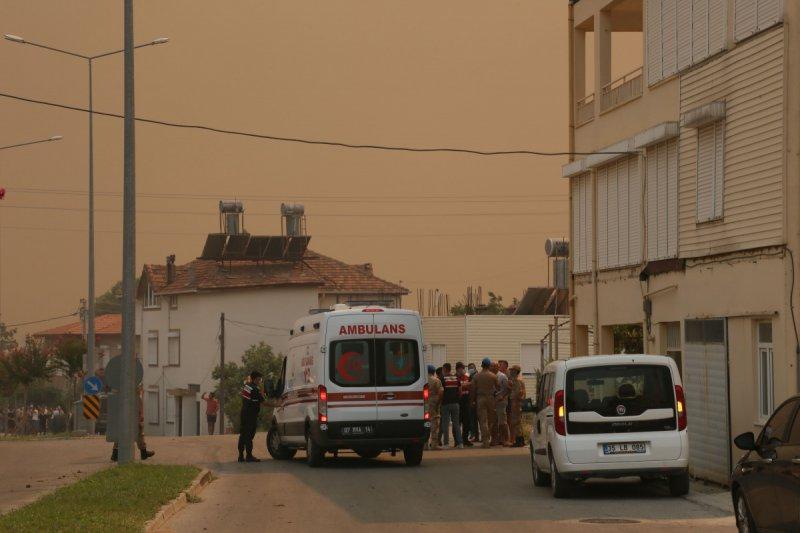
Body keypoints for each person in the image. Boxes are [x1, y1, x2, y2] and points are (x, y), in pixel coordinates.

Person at [111, 385, 155, 461]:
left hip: (125, 418)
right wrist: (140, 418)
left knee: (121, 434)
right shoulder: (135, 397)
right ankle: (143, 453)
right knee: (139, 433)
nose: (141, 390)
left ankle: (115, 453)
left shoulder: (124, 396)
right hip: (133, 418)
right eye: (139, 388)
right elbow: (139, 410)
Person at [470, 358, 498, 448]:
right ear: (489, 366)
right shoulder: (493, 376)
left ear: (482, 365)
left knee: (483, 420)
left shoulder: (476, 376)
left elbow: (473, 389)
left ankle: (485, 441)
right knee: (491, 420)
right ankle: (488, 437)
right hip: (491, 398)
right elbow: (498, 387)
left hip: (480, 398)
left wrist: (472, 400)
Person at [238, 371, 265, 462]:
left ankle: (241, 456)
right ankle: (249, 456)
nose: (259, 381)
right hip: (251, 415)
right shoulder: (254, 388)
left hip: (244, 413)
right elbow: (263, 401)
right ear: (254, 378)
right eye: (258, 379)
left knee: (243, 434)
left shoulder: (247, 386)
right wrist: (276, 405)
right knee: (249, 435)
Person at [439, 363, 463, 448]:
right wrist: (457, 399)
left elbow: (441, 393)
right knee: (456, 424)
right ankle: (460, 443)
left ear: (444, 369)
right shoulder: (456, 378)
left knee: (445, 424)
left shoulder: (442, 379)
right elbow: (460, 391)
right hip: (455, 404)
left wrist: (440, 401)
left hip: (445, 404)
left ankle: (446, 443)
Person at [508, 365, 527, 447]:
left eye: (512, 370)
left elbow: (519, 393)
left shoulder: (517, 381)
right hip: (516, 403)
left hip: (516, 403)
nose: (510, 372)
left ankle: (519, 441)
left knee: (516, 422)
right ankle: (520, 440)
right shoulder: (517, 380)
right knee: (517, 422)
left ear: (515, 371)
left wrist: (516, 403)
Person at [495, 360, 512, 447]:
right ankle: (498, 439)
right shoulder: (493, 375)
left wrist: (503, 396)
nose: (499, 366)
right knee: (497, 422)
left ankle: (506, 439)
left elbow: (508, 388)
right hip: (495, 401)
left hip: (502, 401)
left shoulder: (503, 376)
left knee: (503, 421)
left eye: (500, 365)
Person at [426, 364, 443, 450]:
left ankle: (424, 445)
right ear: (433, 371)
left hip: (424, 403)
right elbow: (440, 392)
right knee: (434, 423)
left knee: (425, 423)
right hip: (433, 402)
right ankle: (434, 444)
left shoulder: (423, 380)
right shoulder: (436, 380)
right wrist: (438, 402)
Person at [456, 362, 473, 447]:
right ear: (458, 369)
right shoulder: (454, 377)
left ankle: (465, 439)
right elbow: (458, 387)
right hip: (458, 401)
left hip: (466, 400)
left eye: (463, 368)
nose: (463, 370)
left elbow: (471, 385)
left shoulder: (467, 376)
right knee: (457, 422)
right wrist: (465, 385)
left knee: (467, 422)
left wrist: (464, 385)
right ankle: (457, 441)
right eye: (462, 368)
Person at [466, 363, 479, 442]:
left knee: (476, 419)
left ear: (475, 368)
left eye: (471, 367)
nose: (470, 369)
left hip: (475, 400)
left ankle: (476, 435)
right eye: (469, 368)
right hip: (471, 399)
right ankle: (474, 435)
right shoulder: (469, 376)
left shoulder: (476, 376)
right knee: (472, 419)